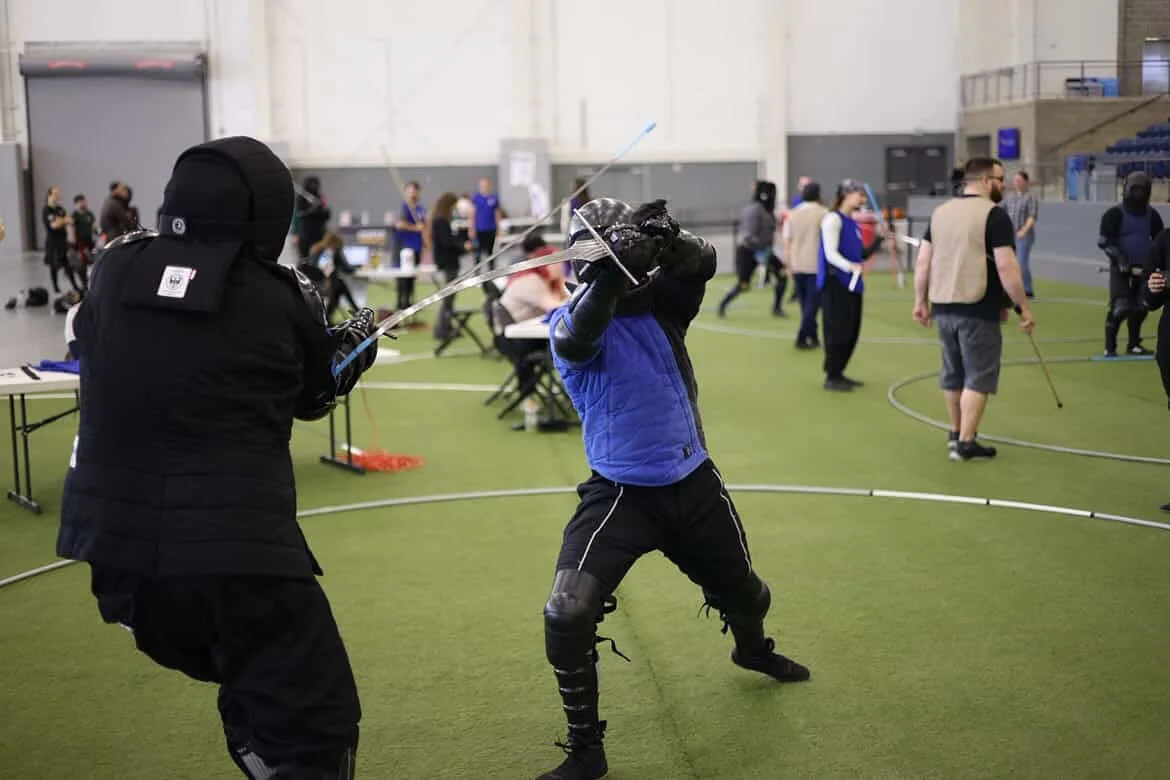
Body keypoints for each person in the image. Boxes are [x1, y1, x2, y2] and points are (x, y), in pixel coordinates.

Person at [56, 135, 381, 778]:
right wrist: (348, 351)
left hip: (116, 567)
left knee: (250, 682)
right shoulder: (282, 294)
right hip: (237, 566)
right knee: (317, 721)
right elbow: (314, 396)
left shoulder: (114, 269)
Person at [539, 197, 810, 780]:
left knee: (750, 598)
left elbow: (704, 262)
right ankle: (587, 750)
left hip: (693, 485)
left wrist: (667, 235)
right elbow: (582, 333)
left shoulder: (667, 307)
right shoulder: (567, 322)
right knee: (566, 612)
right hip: (618, 495)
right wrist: (614, 267)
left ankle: (752, 650)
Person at [911, 156, 1035, 461]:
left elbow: (923, 261)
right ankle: (966, 442)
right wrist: (1023, 306)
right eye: (999, 179)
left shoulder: (940, 213)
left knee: (953, 373)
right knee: (978, 375)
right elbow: (1007, 266)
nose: (1003, 185)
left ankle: (955, 433)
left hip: (943, 304)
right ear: (983, 181)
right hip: (978, 307)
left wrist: (920, 300)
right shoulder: (994, 215)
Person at [817, 180, 883, 391]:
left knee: (852, 331)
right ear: (845, 195)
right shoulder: (832, 220)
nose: (862, 198)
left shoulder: (851, 222)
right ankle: (832, 375)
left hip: (853, 283)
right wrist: (850, 266)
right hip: (837, 283)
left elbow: (860, 254)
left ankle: (839, 371)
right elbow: (830, 254)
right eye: (858, 194)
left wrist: (879, 239)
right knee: (838, 330)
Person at [1098, 171, 1163, 357]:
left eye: (1142, 191)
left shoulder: (1152, 216)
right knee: (1121, 307)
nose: (1138, 194)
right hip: (1121, 269)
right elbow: (1105, 241)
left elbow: (1159, 241)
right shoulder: (1114, 214)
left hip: (1144, 269)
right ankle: (1110, 346)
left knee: (1142, 306)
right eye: (1135, 190)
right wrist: (1119, 258)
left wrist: (1155, 264)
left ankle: (1134, 343)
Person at [718, 180, 784, 317]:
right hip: (748, 251)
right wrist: (759, 250)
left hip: (764, 250)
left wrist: (766, 249)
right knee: (744, 285)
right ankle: (723, 305)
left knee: (782, 275)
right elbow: (748, 235)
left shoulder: (768, 210)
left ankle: (777, 308)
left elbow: (769, 232)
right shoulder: (754, 210)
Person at [783, 180, 828, 349]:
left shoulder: (793, 215)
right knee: (812, 305)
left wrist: (787, 264)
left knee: (805, 304)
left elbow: (787, 241)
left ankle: (813, 336)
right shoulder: (824, 214)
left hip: (797, 263)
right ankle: (802, 336)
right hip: (816, 265)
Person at [430, 191, 473, 340]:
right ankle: (442, 330)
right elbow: (447, 242)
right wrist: (462, 245)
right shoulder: (441, 221)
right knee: (448, 298)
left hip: (449, 262)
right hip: (447, 263)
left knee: (450, 298)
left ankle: (446, 326)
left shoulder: (443, 220)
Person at [1001, 171, 1038, 298]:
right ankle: (1010, 288)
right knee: (1008, 263)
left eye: (1019, 180)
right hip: (1010, 235)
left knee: (1021, 262)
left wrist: (1024, 230)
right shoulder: (1010, 198)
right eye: (1015, 181)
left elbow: (1032, 216)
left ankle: (1027, 289)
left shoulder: (1030, 197)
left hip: (1024, 235)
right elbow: (1000, 210)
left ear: (1026, 182)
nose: (1016, 183)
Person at [394, 180, 427, 311]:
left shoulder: (420, 208)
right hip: (405, 247)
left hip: (417, 246)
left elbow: (424, 226)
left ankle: (409, 303)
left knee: (412, 276)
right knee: (403, 276)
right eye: (410, 191)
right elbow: (399, 224)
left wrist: (425, 240)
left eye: (414, 190)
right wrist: (415, 227)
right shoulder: (404, 207)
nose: (412, 193)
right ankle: (400, 304)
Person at [42, 186, 80, 294]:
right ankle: (55, 286)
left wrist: (61, 220)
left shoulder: (60, 209)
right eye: (55, 194)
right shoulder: (47, 210)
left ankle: (75, 285)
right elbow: (54, 225)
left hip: (62, 242)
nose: (58, 196)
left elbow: (70, 220)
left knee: (67, 265)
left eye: (58, 194)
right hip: (52, 243)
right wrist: (63, 220)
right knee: (53, 266)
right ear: (49, 195)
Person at [296, 175, 332, 260]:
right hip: (306, 234)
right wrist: (312, 209)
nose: (314, 186)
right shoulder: (301, 198)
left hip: (320, 234)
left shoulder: (320, 197)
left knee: (320, 259)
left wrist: (322, 210)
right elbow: (300, 215)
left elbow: (326, 215)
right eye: (312, 184)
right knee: (305, 260)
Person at [470, 177, 503, 268]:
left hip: (491, 228)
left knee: (490, 252)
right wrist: (472, 228)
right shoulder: (476, 198)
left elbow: (497, 214)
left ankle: (491, 273)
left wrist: (499, 228)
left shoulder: (494, 198)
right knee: (478, 252)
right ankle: (477, 272)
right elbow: (473, 214)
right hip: (479, 229)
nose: (485, 187)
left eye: (486, 185)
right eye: (483, 185)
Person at [71, 194, 96, 288]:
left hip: (89, 240)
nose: (84, 203)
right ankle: (84, 283)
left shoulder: (89, 214)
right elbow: (72, 229)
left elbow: (93, 225)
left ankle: (91, 281)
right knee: (82, 262)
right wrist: (74, 243)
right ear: (77, 203)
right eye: (82, 202)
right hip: (80, 242)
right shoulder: (74, 215)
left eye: (85, 201)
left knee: (91, 261)